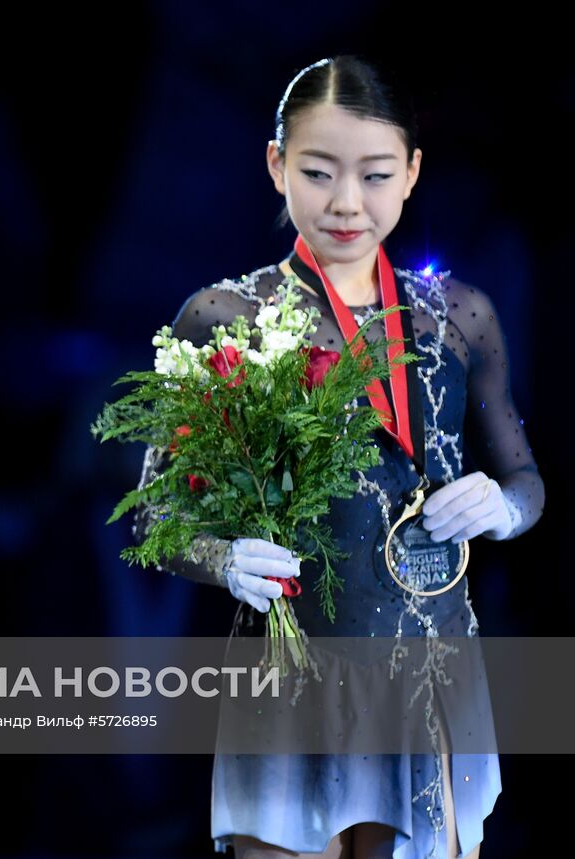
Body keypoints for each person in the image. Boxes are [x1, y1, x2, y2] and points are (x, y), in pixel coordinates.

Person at [130, 56, 544, 859]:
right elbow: (153, 510)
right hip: (289, 675)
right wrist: (222, 556)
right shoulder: (225, 318)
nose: (348, 202)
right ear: (276, 163)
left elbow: (527, 479)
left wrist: (503, 507)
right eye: (318, 172)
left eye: (376, 174)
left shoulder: (459, 317)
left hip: (430, 669)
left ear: (414, 173)